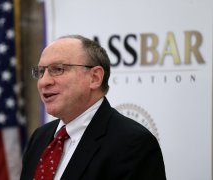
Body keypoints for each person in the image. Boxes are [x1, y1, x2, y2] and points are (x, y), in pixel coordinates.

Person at [20, 35, 166, 180]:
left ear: (95, 78)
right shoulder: (39, 137)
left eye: (57, 69)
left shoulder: (133, 144)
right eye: (40, 72)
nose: (43, 82)